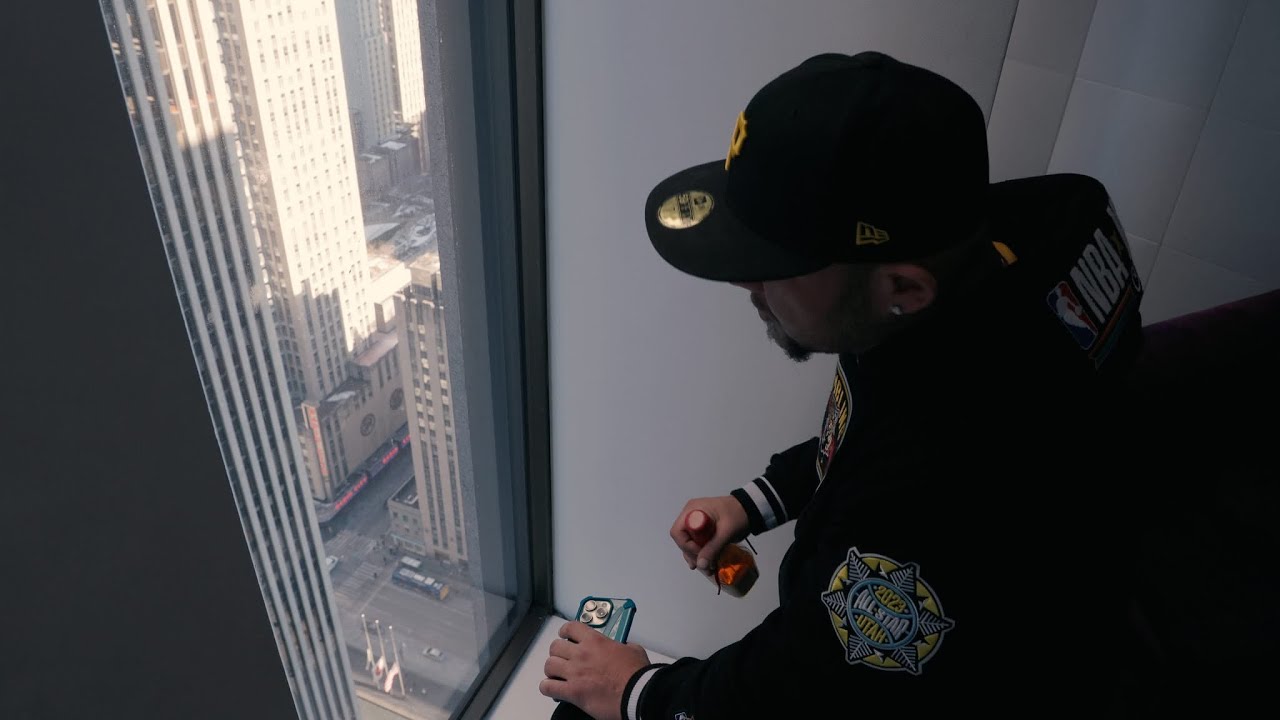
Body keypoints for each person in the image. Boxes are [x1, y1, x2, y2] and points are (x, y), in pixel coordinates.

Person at [541, 51, 1150, 719]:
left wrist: (637, 692)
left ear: (904, 289)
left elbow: (807, 681)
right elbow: (876, 427)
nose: (745, 282)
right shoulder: (1018, 237)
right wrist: (756, 501)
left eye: (774, 262)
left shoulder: (945, 478)